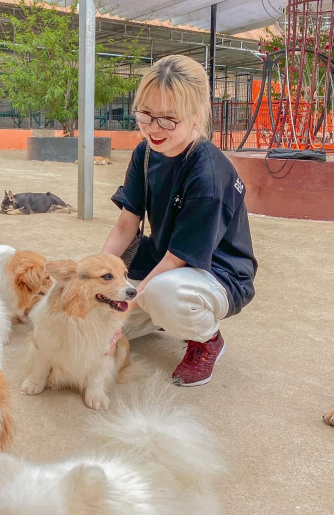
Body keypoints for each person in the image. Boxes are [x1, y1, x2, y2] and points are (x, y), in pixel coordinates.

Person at [101, 55, 257, 387]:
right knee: (95, 319)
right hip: (164, 263)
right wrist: (100, 281)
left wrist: (124, 307)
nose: (153, 128)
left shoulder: (208, 176)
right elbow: (126, 226)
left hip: (216, 275)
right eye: (146, 114)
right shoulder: (145, 153)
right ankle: (162, 317)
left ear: (196, 119)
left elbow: (176, 259)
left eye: (168, 119)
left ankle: (207, 340)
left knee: (158, 296)